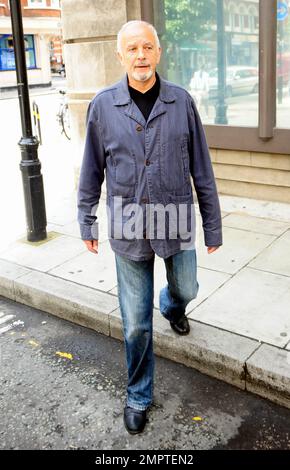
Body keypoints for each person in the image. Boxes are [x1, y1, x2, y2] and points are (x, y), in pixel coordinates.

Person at [77, 20, 222, 435]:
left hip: (175, 219)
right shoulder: (103, 105)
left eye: (147, 47)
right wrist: (86, 218)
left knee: (188, 288)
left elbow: (202, 168)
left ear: (158, 53)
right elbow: (91, 170)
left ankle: (172, 305)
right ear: (120, 56)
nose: (140, 55)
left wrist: (212, 225)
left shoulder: (181, 101)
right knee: (136, 322)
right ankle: (138, 393)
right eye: (132, 49)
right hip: (128, 227)